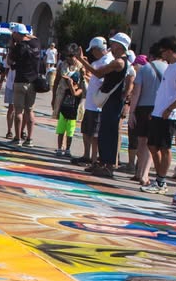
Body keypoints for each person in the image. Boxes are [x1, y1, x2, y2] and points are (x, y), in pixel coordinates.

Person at [141, 37, 176, 192]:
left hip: (170, 115)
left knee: (164, 147)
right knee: (152, 145)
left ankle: (161, 181)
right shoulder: (170, 66)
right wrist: (156, 109)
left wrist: (170, 108)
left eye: (163, 51)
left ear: (169, 51)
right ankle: (159, 177)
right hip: (159, 112)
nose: (161, 54)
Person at [82, 31, 133, 179]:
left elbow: (98, 73)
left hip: (113, 101)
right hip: (113, 100)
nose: (111, 46)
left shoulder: (119, 62)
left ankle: (108, 165)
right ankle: (105, 163)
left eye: (114, 44)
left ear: (120, 46)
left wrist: (81, 60)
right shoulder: (122, 61)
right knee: (106, 132)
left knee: (108, 133)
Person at [127, 45, 165, 185]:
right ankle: (144, 174)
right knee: (152, 143)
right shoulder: (167, 69)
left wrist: (132, 112)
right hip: (158, 108)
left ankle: (138, 172)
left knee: (142, 141)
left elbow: (136, 92)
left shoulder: (145, 69)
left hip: (142, 107)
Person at [73, 37, 109, 165]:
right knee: (86, 131)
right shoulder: (99, 61)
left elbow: (100, 77)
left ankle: (94, 159)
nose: (92, 53)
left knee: (94, 134)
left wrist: (81, 60)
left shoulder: (107, 61)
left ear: (98, 49)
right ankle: (86, 155)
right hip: (91, 103)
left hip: (98, 104)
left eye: (93, 50)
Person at [6, 24, 40, 146]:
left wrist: (11, 46)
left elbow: (9, 62)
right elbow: (34, 37)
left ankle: (17, 138)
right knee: (30, 110)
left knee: (18, 110)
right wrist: (26, 34)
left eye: (13, 34)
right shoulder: (36, 43)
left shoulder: (18, 47)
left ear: (16, 34)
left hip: (20, 81)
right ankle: (29, 139)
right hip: (33, 82)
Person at [52, 44, 84, 157]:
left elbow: (83, 83)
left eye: (71, 55)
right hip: (62, 95)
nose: (69, 58)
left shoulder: (81, 66)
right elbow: (57, 80)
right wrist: (53, 97)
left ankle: (68, 148)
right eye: (67, 56)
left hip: (75, 97)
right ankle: (60, 147)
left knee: (71, 125)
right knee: (61, 123)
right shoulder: (62, 65)